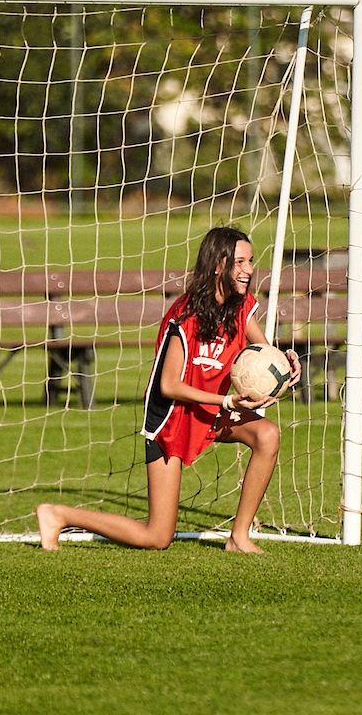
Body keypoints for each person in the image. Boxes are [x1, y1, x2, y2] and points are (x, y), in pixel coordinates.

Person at [36, 226, 300, 554]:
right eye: (240, 261)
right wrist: (228, 400)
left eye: (251, 261)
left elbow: (264, 354)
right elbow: (169, 385)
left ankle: (239, 537)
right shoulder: (186, 315)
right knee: (158, 537)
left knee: (267, 435)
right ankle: (58, 515)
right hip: (172, 420)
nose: (248, 269)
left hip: (213, 411)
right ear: (219, 263)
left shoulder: (240, 305)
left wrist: (286, 364)